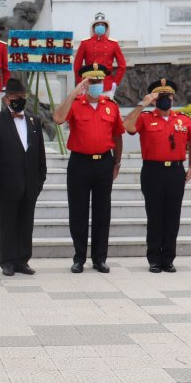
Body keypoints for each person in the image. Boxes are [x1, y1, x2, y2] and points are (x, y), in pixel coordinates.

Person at [53, 64, 124, 274]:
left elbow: (118, 135)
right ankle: (79, 257)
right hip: (80, 163)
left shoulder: (111, 105)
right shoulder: (75, 104)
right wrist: (75, 91)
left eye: (98, 81)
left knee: (103, 212)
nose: (96, 85)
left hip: (103, 162)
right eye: (91, 82)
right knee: (78, 211)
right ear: (84, 83)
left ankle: (100, 258)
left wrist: (117, 162)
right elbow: (57, 118)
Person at [123, 79, 191, 273]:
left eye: (168, 96)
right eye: (161, 96)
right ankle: (154, 259)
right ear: (155, 99)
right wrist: (143, 103)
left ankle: (168, 259)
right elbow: (128, 126)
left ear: (174, 97)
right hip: (153, 171)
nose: (166, 99)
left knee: (173, 217)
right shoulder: (145, 118)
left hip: (175, 171)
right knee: (155, 216)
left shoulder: (183, 119)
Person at [0, 77, 47, 276]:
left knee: (26, 223)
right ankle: (8, 261)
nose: (17, 99)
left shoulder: (34, 120)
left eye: (20, 96)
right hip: (6, 183)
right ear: (5, 99)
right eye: (13, 96)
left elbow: (40, 154)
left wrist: (40, 180)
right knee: (7, 223)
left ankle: (23, 260)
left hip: (30, 183)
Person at [73, 12, 127, 98]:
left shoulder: (113, 44)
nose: (100, 26)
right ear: (93, 28)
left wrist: (115, 83)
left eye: (102, 25)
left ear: (106, 28)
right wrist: (81, 83)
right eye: (98, 24)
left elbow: (122, 65)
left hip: (107, 84)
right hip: (88, 83)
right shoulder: (85, 43)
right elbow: (77, 66)